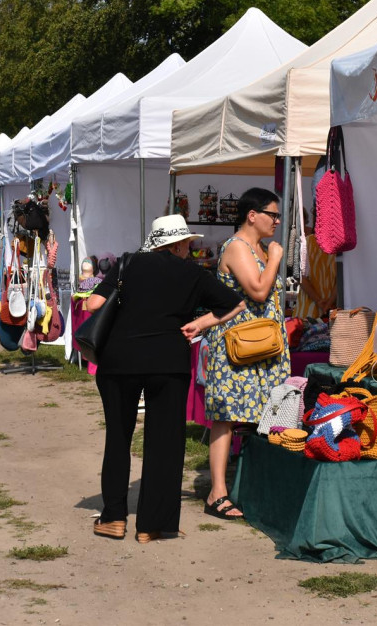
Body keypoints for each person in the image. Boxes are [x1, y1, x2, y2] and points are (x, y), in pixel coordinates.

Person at [85, 214, 244, 543]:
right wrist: (200, 325)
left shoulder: (128, 263)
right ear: (179, 243)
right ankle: (153, 525)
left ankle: (114, 518)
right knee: (165, 443)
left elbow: (93, 303)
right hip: (168, 362)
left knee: (118, 438)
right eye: (188, 242)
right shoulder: (192, 273)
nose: (191, 246)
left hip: (120, 361)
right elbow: (236, 304)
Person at [203, 188, 291, 520]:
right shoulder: (237, 247)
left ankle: (258, 487)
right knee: (226, 416)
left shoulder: (261, 247)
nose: (277, 221)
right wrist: (276, 259)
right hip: (238, 348)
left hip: (265, 349)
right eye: (273, 214)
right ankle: (217, 493)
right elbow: (257, 289)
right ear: (252, 215)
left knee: (267, 416)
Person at [294, 209, 337, 319]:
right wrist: (328, 302)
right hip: (333, 309)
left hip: (308, 309)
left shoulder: (306, 242)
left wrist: (319, 301)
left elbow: (300, 277)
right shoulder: (341, 245)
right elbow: (342, 278)